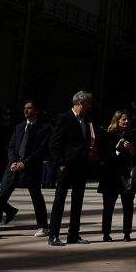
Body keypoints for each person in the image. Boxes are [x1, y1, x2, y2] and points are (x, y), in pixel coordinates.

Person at [0, 100, 50, 239]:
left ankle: (43, 227)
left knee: (36, 197)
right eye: (25, 108)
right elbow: (11, 146)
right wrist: (12, 161)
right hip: (12, 167)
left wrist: (25, 163)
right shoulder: (19, 127)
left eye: (29, 108)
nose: (26, 110)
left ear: (36, 110)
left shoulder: (44, 128)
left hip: (31, 168)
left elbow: (41, 149)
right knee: (2, 197)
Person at [48, 90, 96, 246]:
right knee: (60, 200)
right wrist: (61, 163)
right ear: (81, 102)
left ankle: (73, 234)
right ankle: (53, 235)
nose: (90, 105)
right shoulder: (64, 118)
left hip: (81, 166)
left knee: (78, 201)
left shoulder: (86, 119)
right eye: (89, 102)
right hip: (67, 166)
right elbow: (54, 143)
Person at [98, 110, 136, 242]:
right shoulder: (108, 135)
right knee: (108, 207)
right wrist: (117, 149)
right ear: (117, 121)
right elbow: (104, 157)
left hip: (127, 176)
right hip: (111, 175)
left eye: (127, 119)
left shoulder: (133, 136)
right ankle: (106, 233)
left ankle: (127, 233)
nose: (126, 121)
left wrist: (132, 150)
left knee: (128, 206)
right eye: (123, 119)